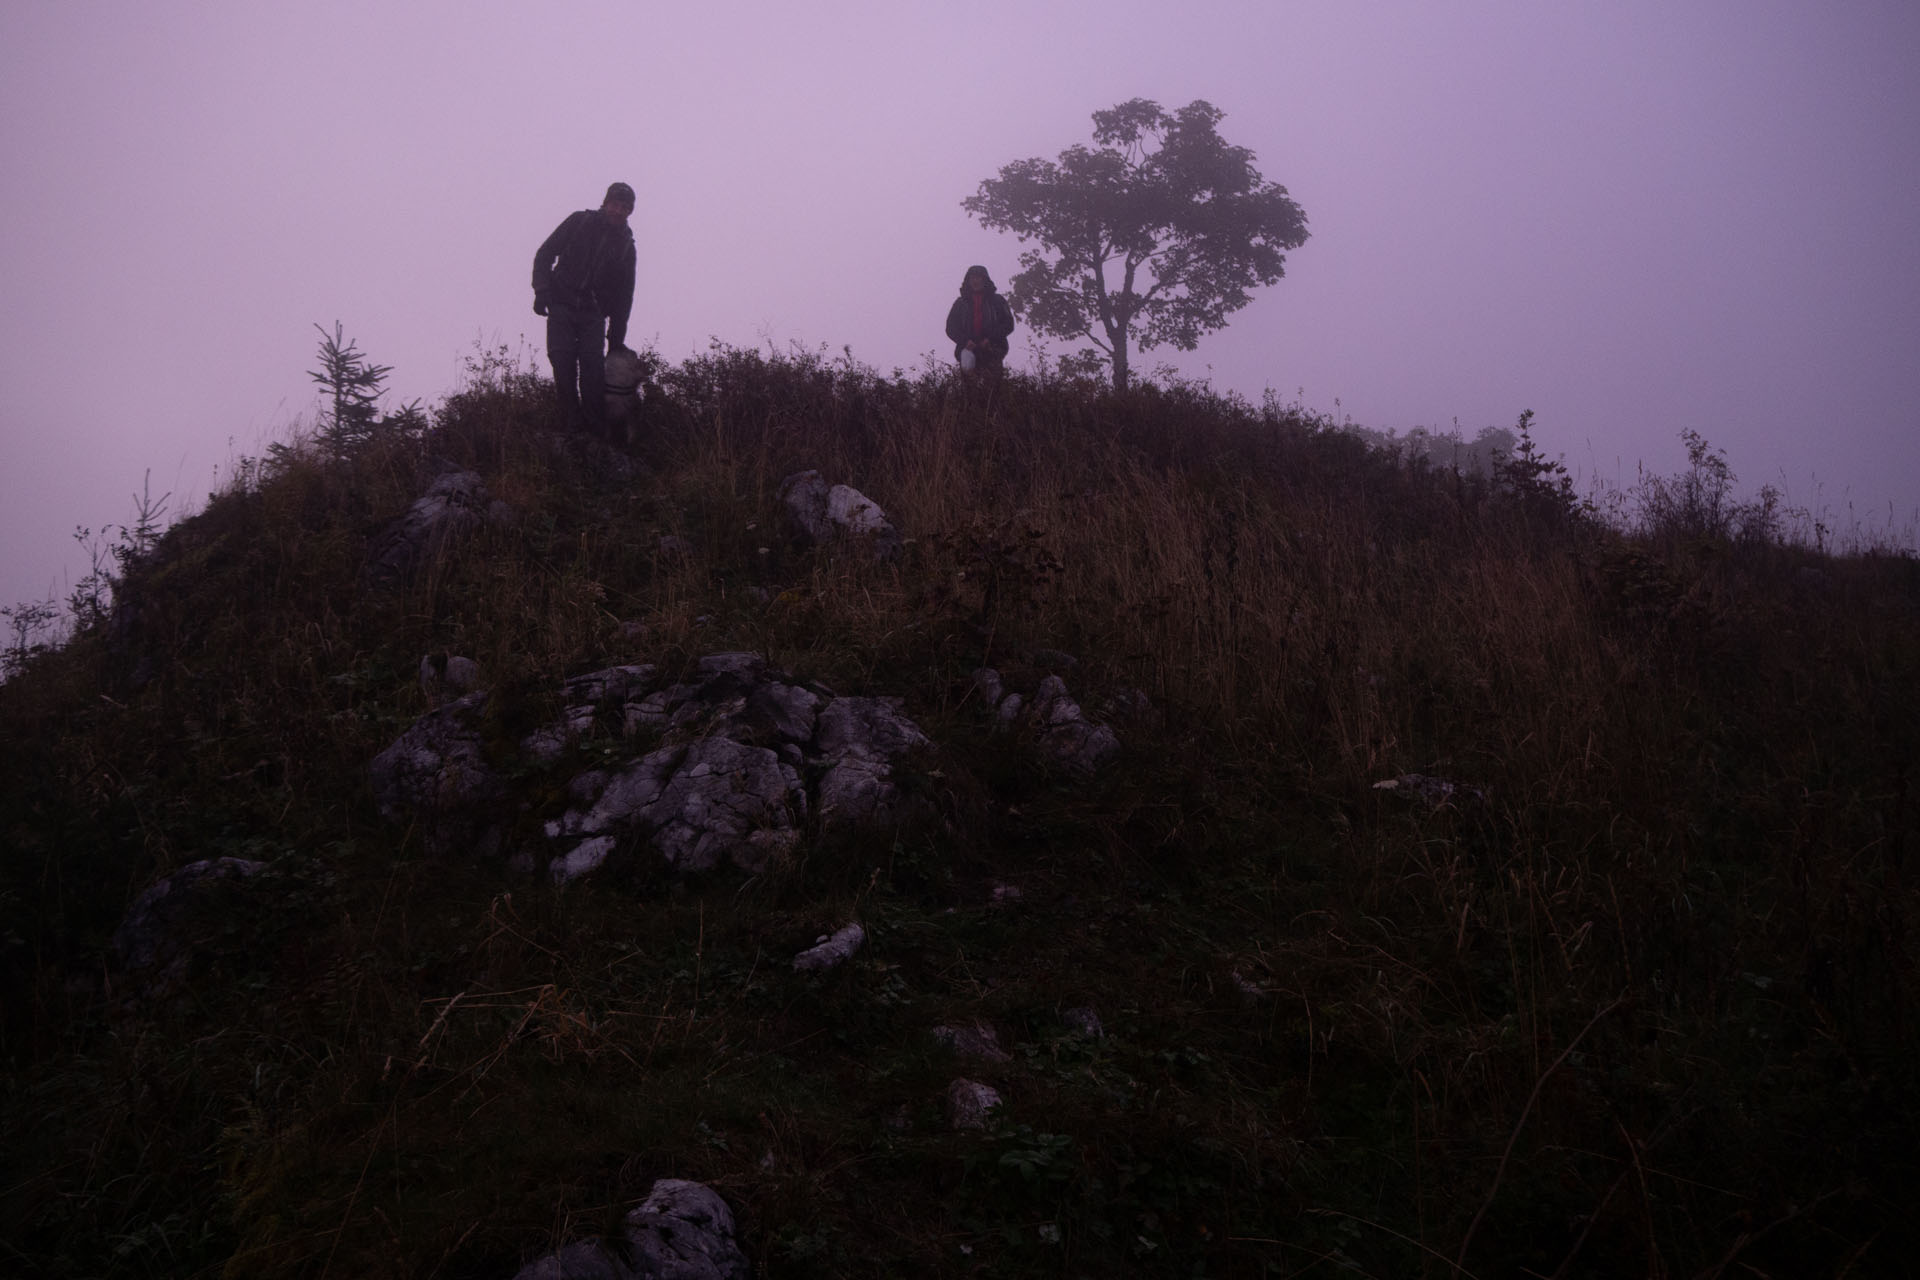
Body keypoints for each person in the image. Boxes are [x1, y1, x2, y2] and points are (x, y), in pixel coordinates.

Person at [532, 182, 637, 435]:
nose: (618, 211)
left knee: (592, 371)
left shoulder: (626, 247)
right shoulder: (580, 221)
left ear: (629, 212)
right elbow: (545, 253)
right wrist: (542, 291)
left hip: (593, 314)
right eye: (615, 204)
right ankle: (571, 424)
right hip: (561, 304)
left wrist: (616, 339)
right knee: (562, 362)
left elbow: (625, 296)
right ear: (605, 203)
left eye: (624, 207)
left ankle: (596, 430)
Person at [944, 265, 1015, 373]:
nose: (975, 281)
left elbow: (1008, 324)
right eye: (972, 278)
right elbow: (951, 328)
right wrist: (965, 341)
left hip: (993, 350)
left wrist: (990, 339)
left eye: (978, 277)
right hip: (967, 352)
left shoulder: (998, 301)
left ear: (985, 280)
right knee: (969, 388)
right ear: (968, 281)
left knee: (994, 387)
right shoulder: (960, 303)